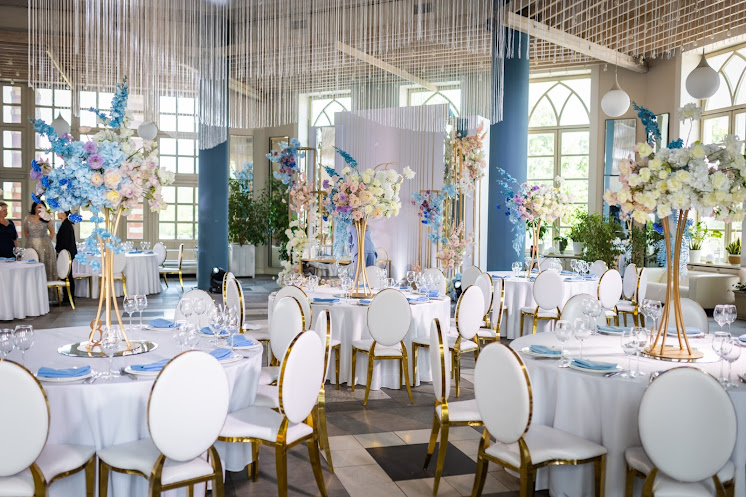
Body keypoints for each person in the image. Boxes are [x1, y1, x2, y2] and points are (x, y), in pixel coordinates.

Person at [23, 202, 57, 281]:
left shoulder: (47, 218)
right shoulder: (28, 218)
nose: (40, 209)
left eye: (42, 207)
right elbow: (26, 232)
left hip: (45, 246)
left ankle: (46, 285)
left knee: (45, 265)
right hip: (31, 245)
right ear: (34, 208)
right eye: (38, 207)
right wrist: (33, 239)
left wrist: (46, 241)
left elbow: (52, 232)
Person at [56, 211, 77, 301]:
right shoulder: (66, 224)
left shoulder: (66, 225)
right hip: (67, 253)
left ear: (63, 213)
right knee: (67, 275)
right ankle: (67, 296)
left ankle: (68, 297)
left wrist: (59, 251)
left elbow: (64, 241)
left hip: (66, 253)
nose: (57, 213)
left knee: (67, 275)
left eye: (59, 212)